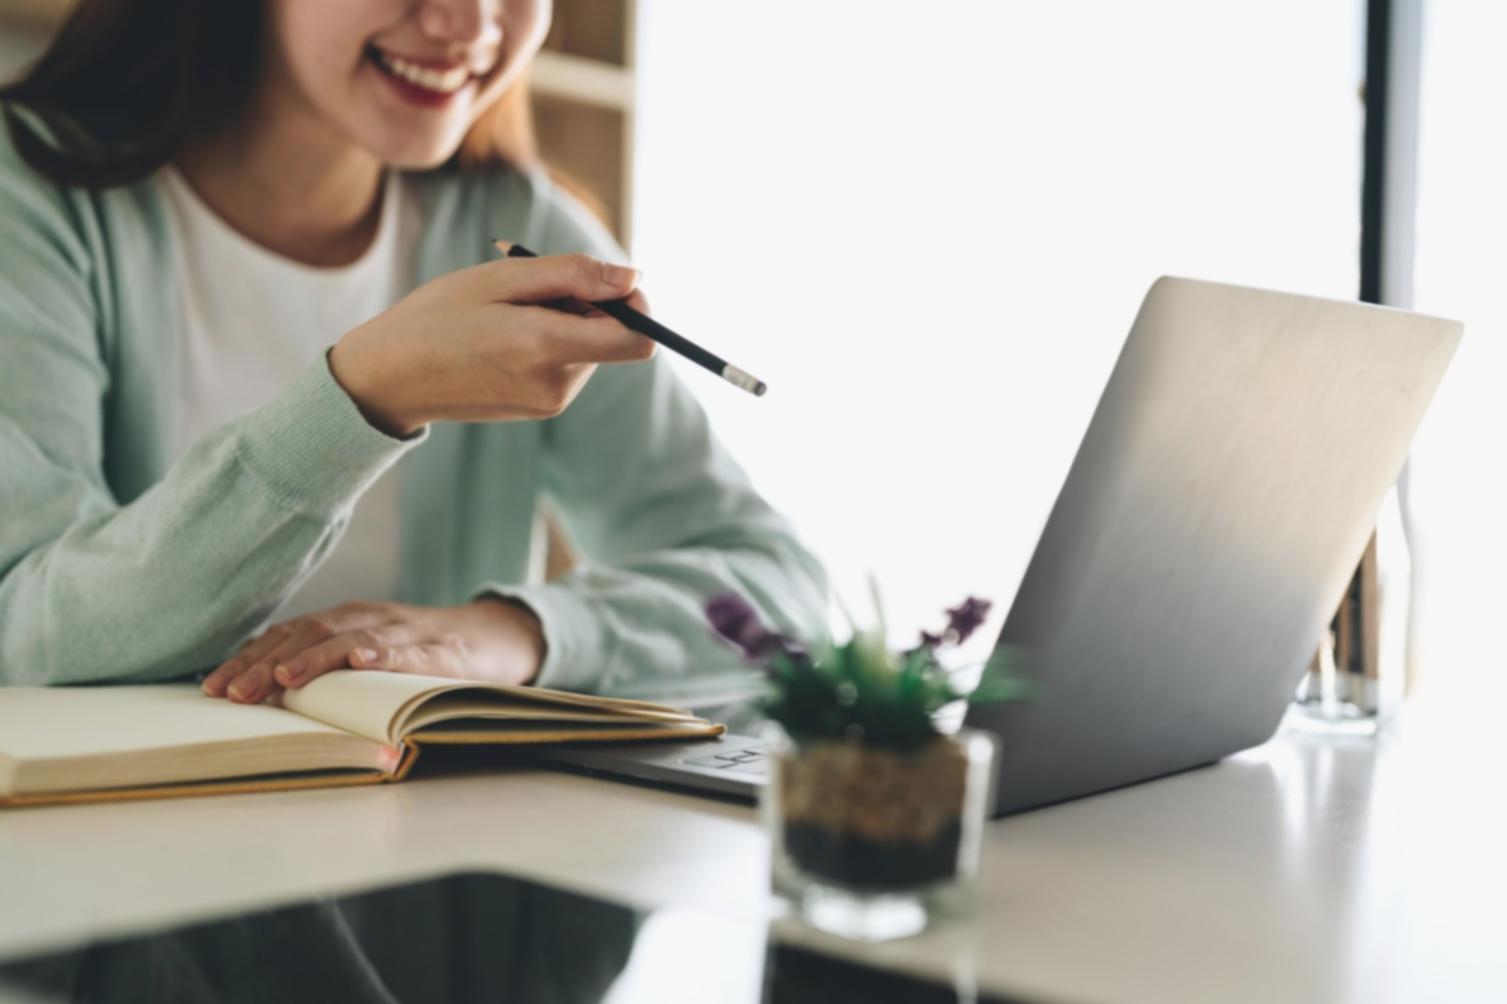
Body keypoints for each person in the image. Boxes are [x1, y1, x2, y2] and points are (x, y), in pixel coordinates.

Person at [0, 0, 827, 705]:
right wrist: (363, 397)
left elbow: (784, 598)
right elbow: (26, 635)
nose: (468, 24)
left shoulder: (520, 230)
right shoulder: (29, 199)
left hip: (431, 836)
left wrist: (518, 634)